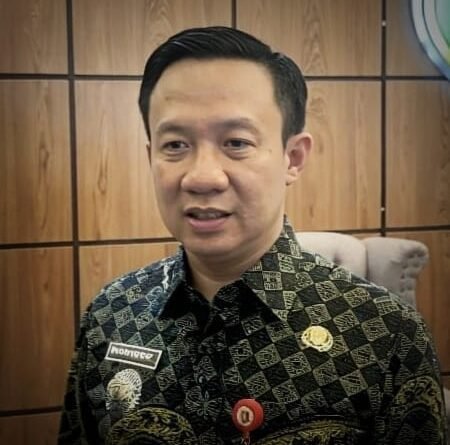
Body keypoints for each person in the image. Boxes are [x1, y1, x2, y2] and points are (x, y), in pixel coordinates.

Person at [59, 26, 447, 444]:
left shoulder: (387, 333)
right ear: (150, 155)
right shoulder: (111, 313)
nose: (202, 177)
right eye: (175, 145)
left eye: (236, 142)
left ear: (292, 158)